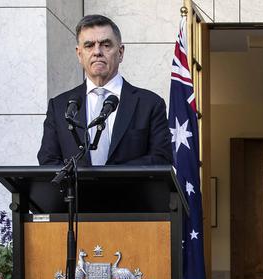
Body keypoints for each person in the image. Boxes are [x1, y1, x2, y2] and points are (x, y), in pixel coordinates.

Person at [37, 14, 172, 166]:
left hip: (131, 190)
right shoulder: (59, 106)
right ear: (79, 54)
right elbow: (48, 160)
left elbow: (161, 157)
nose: (97, 52)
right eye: (89, 45)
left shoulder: (150, 104)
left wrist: (112, 179)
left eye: (106, 45)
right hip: (77, 190)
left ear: (120, 52)